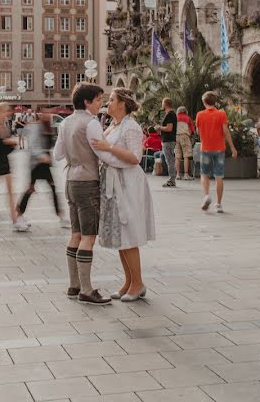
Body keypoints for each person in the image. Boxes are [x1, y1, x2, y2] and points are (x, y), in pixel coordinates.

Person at [52, 83, 117, 306]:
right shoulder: (91, 123)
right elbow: (102, 153)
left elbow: (58, 154)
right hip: (88, 181)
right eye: (99, 100)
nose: (101, 104)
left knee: (76, 233)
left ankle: (74, 284)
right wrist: (122, 159)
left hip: (70, 179)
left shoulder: (65, 122)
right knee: (89, 236)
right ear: (87, 102)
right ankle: (87, 290)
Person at [91, 88, 155, 302]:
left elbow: (136, 157)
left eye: (110, 100)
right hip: (114, 182)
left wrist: (108, 147)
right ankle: (129, 282)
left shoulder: (132, 127)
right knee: (120, 235)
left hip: (128, 183)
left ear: (122, 104)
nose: (107, 103)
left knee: (129, 234)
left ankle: (138, 283)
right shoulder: (114, 125)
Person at [17, 113, 67, 231]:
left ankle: (61, 216)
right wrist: (42, 156)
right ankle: (18, 216)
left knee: (52, 188)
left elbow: (52, 144)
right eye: (45, 112)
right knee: (30, 189)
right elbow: (33, 145)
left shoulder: (48, 126)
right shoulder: (35, 127)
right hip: (36, 164)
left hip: (44, 165)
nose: (48, 115)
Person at [196, 91, 238, 214]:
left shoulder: (199, 115)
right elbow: (226, 132)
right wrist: (233, 148)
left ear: (204, 102)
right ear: (215, 102)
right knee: (219, 176)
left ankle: (207, 195)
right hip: (219, 149)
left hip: (205, 149)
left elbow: (198, 133)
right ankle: (219, 204)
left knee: (204, 174)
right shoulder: (221, 114)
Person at [156, 98, 178, 187]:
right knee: (170, 160)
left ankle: (172, 180)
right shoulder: (170, 114)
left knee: (170, 160)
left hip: (168, 141)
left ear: (165, 104)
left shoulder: (170, 115)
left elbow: (169, 128)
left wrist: (159, 127)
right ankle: (172, 179)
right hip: (168, 140)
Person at [175, 106, 196, 180]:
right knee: (186, 156)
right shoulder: (187, 118)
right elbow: (192, 130)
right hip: (185, 136)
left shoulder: (175, 117)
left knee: (177, 156)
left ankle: (177, 174)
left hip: (176, 137)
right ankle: (186, 175)